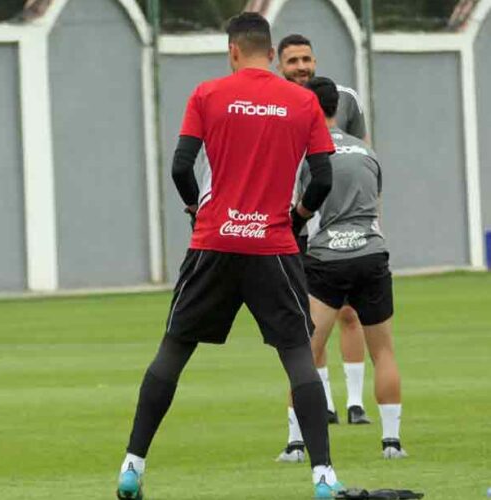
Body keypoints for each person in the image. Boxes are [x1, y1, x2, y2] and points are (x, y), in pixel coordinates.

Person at [115, 13, 343, 500]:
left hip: (214, 240)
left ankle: (132, 465)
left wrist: (198, 208)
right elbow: (322, 179)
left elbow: (181, 167)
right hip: (274, 245)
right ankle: (323, 476)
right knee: (298, 356)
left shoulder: (207, 94)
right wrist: (297, 217)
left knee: (174, 349)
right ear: (270, 52)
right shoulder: (302, 101)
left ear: (233, 50)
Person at [285, 77, 407, 461]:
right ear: (337, 108)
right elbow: (376, 203)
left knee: (306, 351)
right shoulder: (366, 152)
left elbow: (300, 205)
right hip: (371, 254)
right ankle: (392, 442)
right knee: (383, 350)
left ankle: (296, 443)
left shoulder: (308, 155)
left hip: (326, 260)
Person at [277, 33, 371, 426]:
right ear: (278, 65)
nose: (301, 67)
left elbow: (363, 155)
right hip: (291, 226)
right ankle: (323, 404)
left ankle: (355, 403)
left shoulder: (343, 99)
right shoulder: (271, 104)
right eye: (293, 61)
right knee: (305, 322)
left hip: (339, 227)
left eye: (306, 59)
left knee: (350, 313)